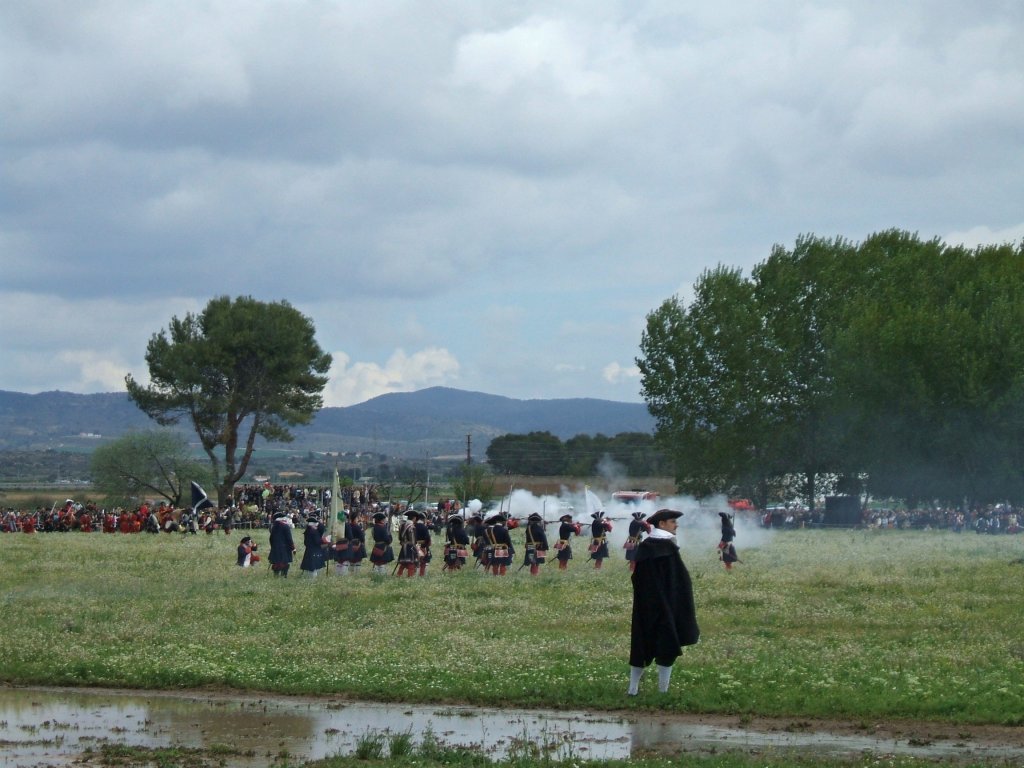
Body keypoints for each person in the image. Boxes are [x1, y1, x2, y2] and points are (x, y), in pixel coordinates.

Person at [628, 508, 699, 696]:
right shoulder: (666, 547)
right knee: (665, 644)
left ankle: (635, 690)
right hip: (665, 604)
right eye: (672, 521)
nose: (676, 525)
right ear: (662, 524)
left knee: (643, 643)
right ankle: (659, 691)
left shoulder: (649, 547)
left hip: (648, 605)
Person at [269, 510, 296, 577]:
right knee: (284, 563)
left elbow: (271, 538)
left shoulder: (273, 527)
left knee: (276, 562)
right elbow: (289, 539)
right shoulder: (285, 526)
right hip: (285, 548)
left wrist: (273, 546)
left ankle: (276, 575)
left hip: (275, 547)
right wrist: (293, 548)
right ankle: (284, 576)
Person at [369, 511, 395, 576]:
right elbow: (387, 539)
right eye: (384, 519)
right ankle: (382, 575)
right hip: (383, 547)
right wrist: (390, 537)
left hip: (377, 545)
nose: (385, 520)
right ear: (381, 520)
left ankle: (375, 574)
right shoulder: (383, 528)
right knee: (382, 563)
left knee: (377, 562)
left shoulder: (374, 527)